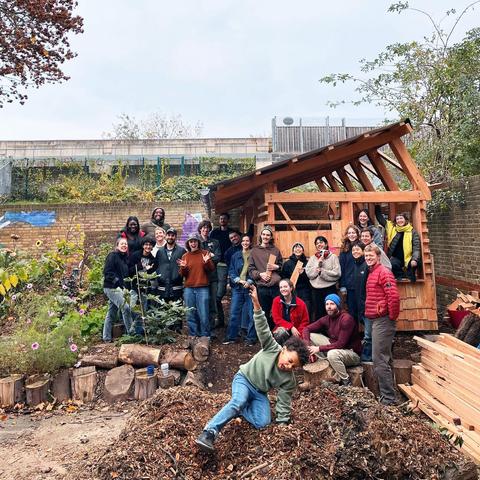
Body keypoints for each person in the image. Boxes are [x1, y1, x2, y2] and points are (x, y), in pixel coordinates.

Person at [195, 285, 310, 454]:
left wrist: (282, 426)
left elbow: (284, 403)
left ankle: (239, 408)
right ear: (284, 350)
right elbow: (262, 326)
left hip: (259, 393)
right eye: (290, 360)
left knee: (262, 422)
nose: (289, 366)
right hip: (244, 379)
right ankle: (209, 432)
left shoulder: (289, 380)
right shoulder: (272, 347)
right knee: (238, 401)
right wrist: (256, 302)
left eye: (294, 366)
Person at [364, 243, 400, 405]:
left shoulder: (384, 272)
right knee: (385, 358)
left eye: (371, 255)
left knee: (379, 360)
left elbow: (393, 296)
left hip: (383, 320)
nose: (368, 258)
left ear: (378, 257)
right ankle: (391, 394)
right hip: (374, 319)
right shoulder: (372, 272)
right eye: (366, 256)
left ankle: (388, 399)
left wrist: (391, 317)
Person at [301, 294, 362, 387]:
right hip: (334, 346)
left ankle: (346, 380)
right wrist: (307, 346)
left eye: (332, 304)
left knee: (332, 354)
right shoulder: (327, 319)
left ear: (338, 305)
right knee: (311, 336)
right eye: (327, 304)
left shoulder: (346, 319)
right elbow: (306, 329)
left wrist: (319, 348)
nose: (329, 307)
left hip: (351, 352)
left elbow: (341, 344)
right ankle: (324, 362)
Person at [179, 233, 215, 339]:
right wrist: (184, 267)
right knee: (190, 313)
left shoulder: (204, 253)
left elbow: (211, 269)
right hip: (189, 288)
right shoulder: (185, 256)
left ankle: (205, 335)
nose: (193, 243)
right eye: (191, 241)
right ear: (188, 244)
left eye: (195, 241)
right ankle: (193, 334)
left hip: (202, 287)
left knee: (203, 312)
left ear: (198, 243)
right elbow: (182, 274)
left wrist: (206, 262)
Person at [223, 234, 257, 346]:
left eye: (247, 241)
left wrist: (250, 281)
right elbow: (231, 271)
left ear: (250, 242)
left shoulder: (254, 255)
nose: (245, 243)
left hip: (250, 288)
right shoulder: (235, 255)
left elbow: (256, 270)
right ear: (241, 242)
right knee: (233, 313)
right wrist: (238, 280)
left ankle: (251, 338)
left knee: (251, 313)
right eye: (243, 241)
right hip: (238, 288)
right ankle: (232, 337)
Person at [248, 226, 283, 329]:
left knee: (277, 312)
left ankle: (277, 335)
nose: (265, 236)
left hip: (275, 287)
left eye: (268, 235)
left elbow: (281, 267)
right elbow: (250, 269)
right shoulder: (254, 251)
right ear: (261, 236)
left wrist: (276, 266)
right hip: (262, 287)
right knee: (264, 312)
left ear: (271, 237)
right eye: (264, 234)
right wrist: (260, 274)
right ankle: (266, 336)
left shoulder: (275, 250)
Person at [375, 206, 421, 282]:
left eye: (401, 218)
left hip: (409, 257)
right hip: (396, 258)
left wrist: (414, 259)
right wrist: (377, 205)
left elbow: (416, 248)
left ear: (406, 220)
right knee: (393, 264)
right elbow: (380, 218)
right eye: (397, 219)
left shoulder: (412, 232)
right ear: (395, 221)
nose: (399, 220)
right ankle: (400, 276)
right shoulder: (391, 228)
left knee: (412, 275)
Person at [102, 238, 133, 342]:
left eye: (125, 244)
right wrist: (118, 283)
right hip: (111, 287)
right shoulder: (112, 256)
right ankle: (131, 335)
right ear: (117, 245)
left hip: (118, 288)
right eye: (122, 244)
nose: (124, 245)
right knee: (126, 308)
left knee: (111, 312)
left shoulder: (125, 259)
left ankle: (106, 338)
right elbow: (107, 272)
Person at [305, 236, 341, 320]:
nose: (319, 244)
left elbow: (337, 273)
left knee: (332, 311)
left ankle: (333, 331)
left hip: (329, 288)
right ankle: (320, 332)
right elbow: (309, 273)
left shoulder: (333, 257)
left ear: (326, 244)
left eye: (321, 242)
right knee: (318, 312)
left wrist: (322, 272)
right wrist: (318, 264)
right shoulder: (312, 258)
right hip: (316, 289)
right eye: (317, 243)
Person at [210, 213, 234, 326]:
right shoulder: (214, 233)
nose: (222, 220)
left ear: (228, 220)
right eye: (221, 218)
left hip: (232, 263)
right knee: (219, 294)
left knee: (234, 291)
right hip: (220, 264)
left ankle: (229, 320)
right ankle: (220, 319)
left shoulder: (232, 232)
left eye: (224, 218)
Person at [198, 220, 222, 330]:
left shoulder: (215, 242)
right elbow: (196, 259)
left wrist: (208, 258)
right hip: (199, 277)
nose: (205, 229)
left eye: (207, 227)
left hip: (212, 278)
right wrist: (209, 256)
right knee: (202, 302)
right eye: (203, 227)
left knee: (212, 303)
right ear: (200, 229)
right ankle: (202, 327)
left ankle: (211, 329)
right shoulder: (196, 242)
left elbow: (218, 257)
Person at [271, 279, 309, 345]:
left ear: (291, 288)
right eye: (281, 287)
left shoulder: (301, 303)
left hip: (297, 332)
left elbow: (305, 321)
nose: (283, 289)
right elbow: (276, 318)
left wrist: (298, 333)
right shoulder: (276, 301)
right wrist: (291, 327)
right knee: (280, 333)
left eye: (285, 286)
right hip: (282, 329)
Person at [350, 242, 371, 361]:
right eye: (353, 250)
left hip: (368, 305)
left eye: (358, 249)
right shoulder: (356, 265)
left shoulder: (366, 266)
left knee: (368, 335)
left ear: (363, 251)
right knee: (367, 333)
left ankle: (367, 358)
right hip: (360, 304)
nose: (355, 252)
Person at [128, 237, 158, 315]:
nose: (148, 247)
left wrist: (150, 270)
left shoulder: (153, 259)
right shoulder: (135, 255)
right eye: (146, 244)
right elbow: (129, 270)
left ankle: (141, 326)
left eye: (150, 245)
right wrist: (141, 266)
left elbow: (152, 275)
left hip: (145, 288)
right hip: (134, 286)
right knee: (133, 308)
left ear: (152, 247)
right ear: (142, 245)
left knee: (143, 310)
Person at [155, 227, 186, 303]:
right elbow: (156, 266)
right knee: (163, 313)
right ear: (165, 236)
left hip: (176, 288)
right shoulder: (160, 252)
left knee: (177, 313)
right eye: (169, 235)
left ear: (175, 237)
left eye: (172, 235)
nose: (170, 237)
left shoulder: (182, 251)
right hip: (162, 288)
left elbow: (185, 267)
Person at [281, 242, 312, 317]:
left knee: (306, 310)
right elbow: (283, 278)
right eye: (295, 247)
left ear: (303, 250)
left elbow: (311, 278)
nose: (298, 249)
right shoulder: (287, 263)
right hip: (292, 291)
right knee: (293, 311)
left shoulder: (308, 263)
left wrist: (303, 274)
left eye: (300, 247)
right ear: (293, 250)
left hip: (305, 291)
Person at [339, 225, 361, 317]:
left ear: (357, 234)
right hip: (350, 285)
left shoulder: (361, 246)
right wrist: (342, 285)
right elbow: (342, 268)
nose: (351, 235)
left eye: (353, 233)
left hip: (361, 283)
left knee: (362, 310)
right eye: (349, 233)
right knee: (352, 312)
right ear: (347, 235)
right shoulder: (344, 249)